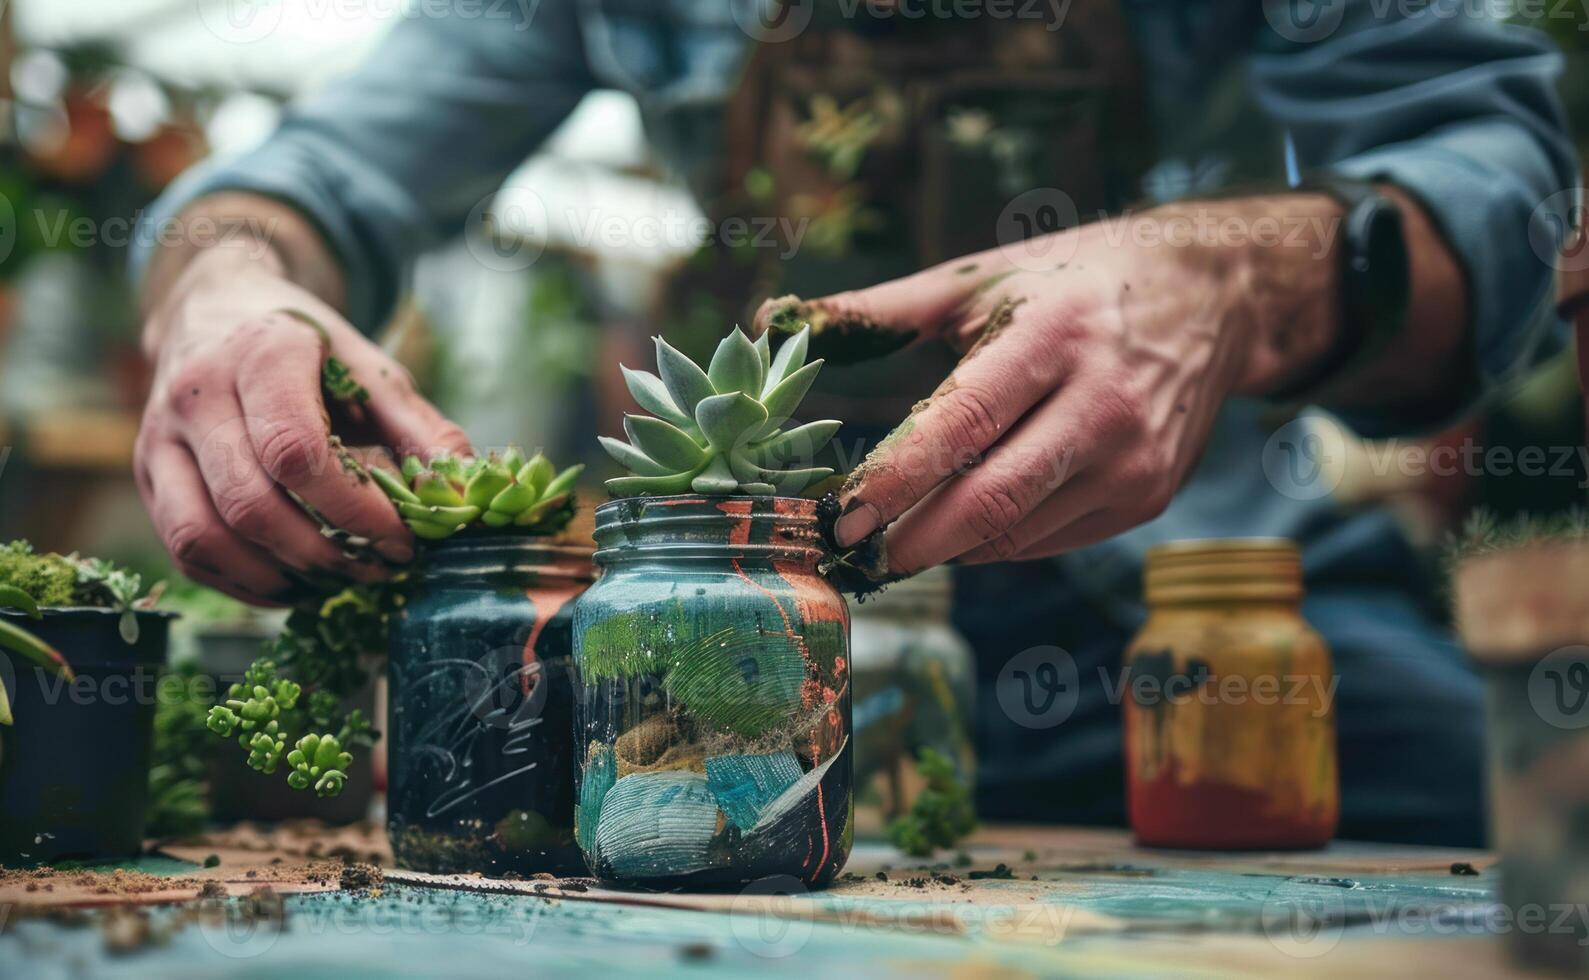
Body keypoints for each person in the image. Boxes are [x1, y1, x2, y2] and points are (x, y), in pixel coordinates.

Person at [131, 1, 1578, 846]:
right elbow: (318, 176)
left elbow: (1503, 169)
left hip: (1167, 610)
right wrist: (225, 281)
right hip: (730, 644)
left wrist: (1236, 276)